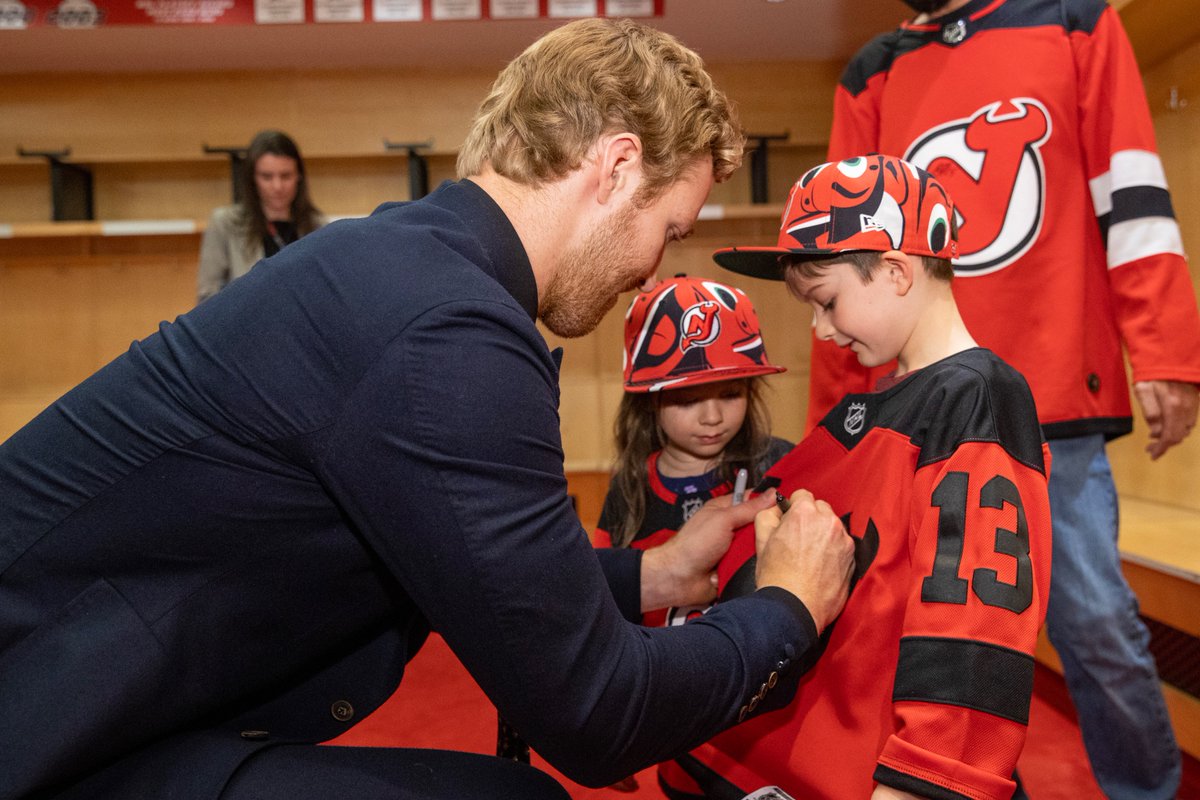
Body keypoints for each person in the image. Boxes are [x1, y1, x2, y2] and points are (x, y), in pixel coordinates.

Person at [0, 18, 856, 800]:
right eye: (668, 231)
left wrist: (655, 575)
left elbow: (465, 560)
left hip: (93, 706)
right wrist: (784, 608)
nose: (653, 267)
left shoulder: (401, 268)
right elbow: (597, 716)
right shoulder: (444, 329)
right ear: (617, 165)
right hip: (46, 737)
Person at [807, 2, 1200, 797]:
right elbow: (837, 255)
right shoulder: (873, 68)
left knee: (1093, 626)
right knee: (915, 625)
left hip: (1057, 391)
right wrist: (838, 420)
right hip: (920, 409)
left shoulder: (1074, 20)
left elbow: (1130, 189)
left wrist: (1165, 346)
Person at [658, 154, 1051, 800]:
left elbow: (976, 627)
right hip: (790, 756)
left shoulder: (975, 400)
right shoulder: (881, 405)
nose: (821, 329)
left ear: (897, 271)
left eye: (828, 302)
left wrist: (925, 782)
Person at [596, 274, 793, 629]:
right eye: (688, 401)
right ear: (649, 400)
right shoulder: (627, 487)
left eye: (731, 395)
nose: (713, 417)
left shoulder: (780, 466)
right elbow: (605, 601)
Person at [196, 129, 325, 303]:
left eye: (285, 176)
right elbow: (206, 297)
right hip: (244, 328)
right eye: (267, 177)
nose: (277, 186)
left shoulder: (318, 226)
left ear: (299, 176)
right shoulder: (225, 223)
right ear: (252, 178)